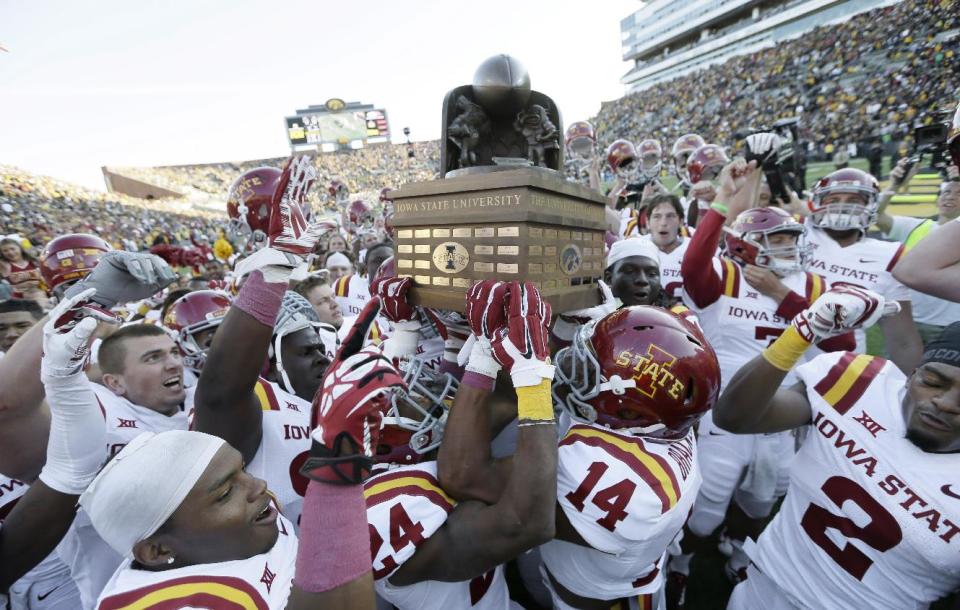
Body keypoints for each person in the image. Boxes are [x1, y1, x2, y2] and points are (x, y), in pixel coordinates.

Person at [86, 300, 408, 609]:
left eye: (243, 469)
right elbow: (221, 392)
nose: (257, 486)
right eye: (226, 493)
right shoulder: (195, 597)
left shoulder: (253, 527)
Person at [444, 280, 720, 609]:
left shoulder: (620, 476)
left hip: (587, 595)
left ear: (628, 410)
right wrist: (611, 325)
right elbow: (673, 344)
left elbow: (464, 476)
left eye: (591, 371)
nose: (574, 369)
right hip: (619, 566)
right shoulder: (667, 413)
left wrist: (484, 358)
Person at [669, 158, 853, 600]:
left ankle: (737, 552)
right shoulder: (727, 275)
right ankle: (684, 557)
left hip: (779, 413)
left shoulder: (810, 286)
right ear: (750, 246)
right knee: (710, 501)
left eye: (792, 240)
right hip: (723, 408)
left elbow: (842, 345)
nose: (791, 248)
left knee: (765, 496)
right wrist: (722, 201)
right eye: (780, 240)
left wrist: (783, 297)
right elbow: (694, 263)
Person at [714, 286, 960, 609]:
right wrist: (802, 332)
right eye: (933, 381)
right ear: (912, 374)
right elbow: (734, 417)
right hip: (760, 589)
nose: (944, 403)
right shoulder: (860, 382)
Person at [360, 279, 558, 609]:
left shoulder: (407, 463)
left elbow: (504, 401)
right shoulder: (381, 515)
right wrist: (532, 373)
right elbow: (526, 525)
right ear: (391, 444)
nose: (424, 394)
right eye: (413, 403)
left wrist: (483, 339)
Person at [1, 291, 109, 610]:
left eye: (22, 326)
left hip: (93, 560)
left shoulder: (102, 390)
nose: (10, 335)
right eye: (1, 329)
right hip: (30, 579)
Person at [805, 167, 922, 373]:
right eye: (833, 200)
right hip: (780, 360)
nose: (842, 207)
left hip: (843, 371)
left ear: (871, 206)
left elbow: (903, 340)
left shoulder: (889, 255)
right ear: (817, 204)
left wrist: (911, 389)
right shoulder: (796, 235)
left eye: (853, 200)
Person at [877, 163, 960, 344]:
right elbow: (875, 216)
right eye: (946, 192)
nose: (950, 197)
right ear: (937, 200)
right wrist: (894, 186)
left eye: (958, 194)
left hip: (950, 325)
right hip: (909, 320)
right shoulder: (915, 226)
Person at [639, 194, 692, 301]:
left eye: (670, 216)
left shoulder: (693, 250)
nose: (663, 223)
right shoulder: (636, 247)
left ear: (681, 221)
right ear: (648, 222)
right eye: (657, 216)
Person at [0, 237, 45, 305]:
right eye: (5, 251)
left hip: (41, 295)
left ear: (20, 248)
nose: (10, 252)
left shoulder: (33, 261)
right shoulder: (5, 265)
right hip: (21, 302)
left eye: (12, 249)